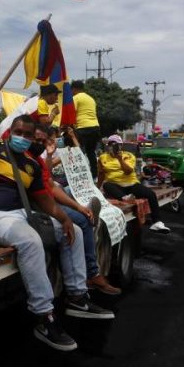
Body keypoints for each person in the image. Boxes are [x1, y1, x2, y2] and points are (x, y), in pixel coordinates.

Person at [0, 111, 114, 352]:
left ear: (33, 138)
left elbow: (45, 200)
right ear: (10, 132)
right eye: (18, 133)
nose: (22, 137)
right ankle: (44, 317)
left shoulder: (30, 163)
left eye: (27, 135)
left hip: (19, 214)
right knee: (30, 240)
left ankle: (77, 296)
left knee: (75, 233)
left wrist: (65, 219)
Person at [37, 126, 120, 296]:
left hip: (54, 190)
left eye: (51, 139)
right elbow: (47, 187)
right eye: (42, 140)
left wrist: (68, 141)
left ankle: (85, 205)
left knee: (74, 193)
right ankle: (92, 273)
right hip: (42, 202)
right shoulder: (33, 157)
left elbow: (49, 181)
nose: (48, 143)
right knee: (82, 219)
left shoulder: (39, 157)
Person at [98, 134, 170, 233]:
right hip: (115, 186)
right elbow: (101, 174)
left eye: (117, 144)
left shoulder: (128, 155)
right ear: (108, 145)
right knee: (107, 185)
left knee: (151, 194)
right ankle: (125, 198)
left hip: (131, 184)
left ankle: (157, 222)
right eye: (111, 144)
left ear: (121, 146)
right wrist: (97, 188)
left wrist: (119, 159)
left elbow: (128, 171)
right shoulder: (102, 157)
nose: (113, 146)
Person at [71, 80, 100, 178]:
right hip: (95, 127)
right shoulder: (91, 99)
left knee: (79, 150)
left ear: (74, 89)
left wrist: (73, 127)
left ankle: (80, 174)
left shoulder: (75, 97)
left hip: (83, 127)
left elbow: (72, 113)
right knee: (91, 152)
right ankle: (94, 175)